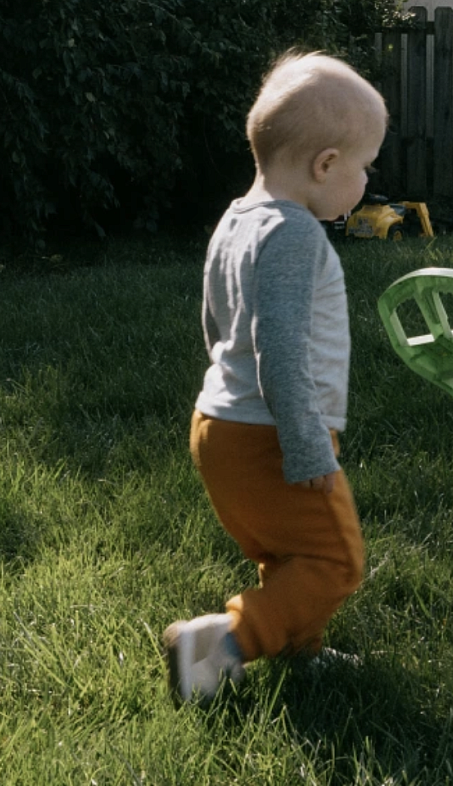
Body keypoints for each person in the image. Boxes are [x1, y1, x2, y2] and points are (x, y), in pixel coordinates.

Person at [163, 50, 387, 705]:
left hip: (218, 428)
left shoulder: (238, 220)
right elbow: (278, 349)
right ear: (326, 165)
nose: (367, 181)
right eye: (364, 167)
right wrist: (306, 441)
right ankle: (222, 642)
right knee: (335, 560)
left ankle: (298, 648)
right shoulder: (293, 236)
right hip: (270, 434)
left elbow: (217, 320)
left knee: (288, 554)